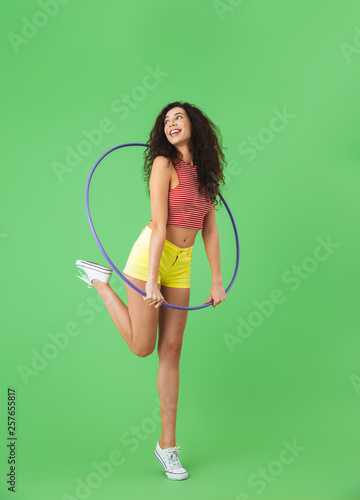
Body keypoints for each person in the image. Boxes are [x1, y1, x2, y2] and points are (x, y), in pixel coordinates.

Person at [75, 101, 227, 480]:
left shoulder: (207, 171)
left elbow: (208, 228)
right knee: (143, 347)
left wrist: (217, 278)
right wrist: (154, 281)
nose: (171, 123)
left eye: (179, 117)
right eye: (166, 121)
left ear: (195, 125)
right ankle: (99, 281)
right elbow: (160, 226)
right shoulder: (164, 165)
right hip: (150, 259)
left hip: (183, 262)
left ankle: (167, 448)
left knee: (172, 350)